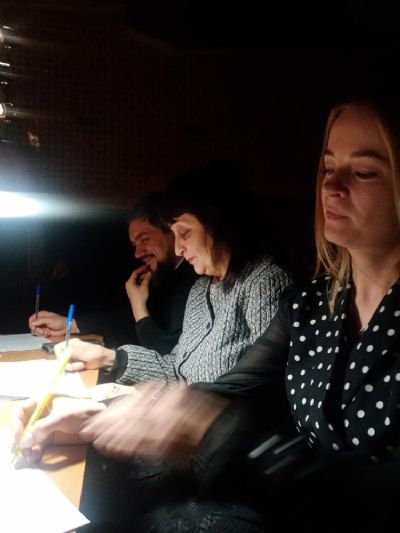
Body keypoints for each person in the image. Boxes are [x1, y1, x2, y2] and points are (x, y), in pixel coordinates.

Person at [14, 96, 400, 531]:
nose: (332, 187)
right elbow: (229, 389)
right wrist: (104, 415)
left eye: (364, 172)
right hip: (273, 490)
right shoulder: (310, 304)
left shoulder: (268, 283)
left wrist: (204, 424)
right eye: (328, 168)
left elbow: (373, 495)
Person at [49, 161, 290, 386]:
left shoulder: (265, 282)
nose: (177, 249)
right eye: (175, 235)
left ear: (219, 222)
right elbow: (176, 368)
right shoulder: (201, 290)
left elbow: (265, 388)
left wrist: (183, 408)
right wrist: (110, 359)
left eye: (185, 234)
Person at [29, 191, 198, 354]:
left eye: (144, 239)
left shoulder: (195, 279)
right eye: (135, 244)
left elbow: (168, 356)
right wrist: (69, 324)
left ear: (173, 233)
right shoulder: (161, 275)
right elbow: (124, 322)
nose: (138, 253)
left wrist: (138, 308)